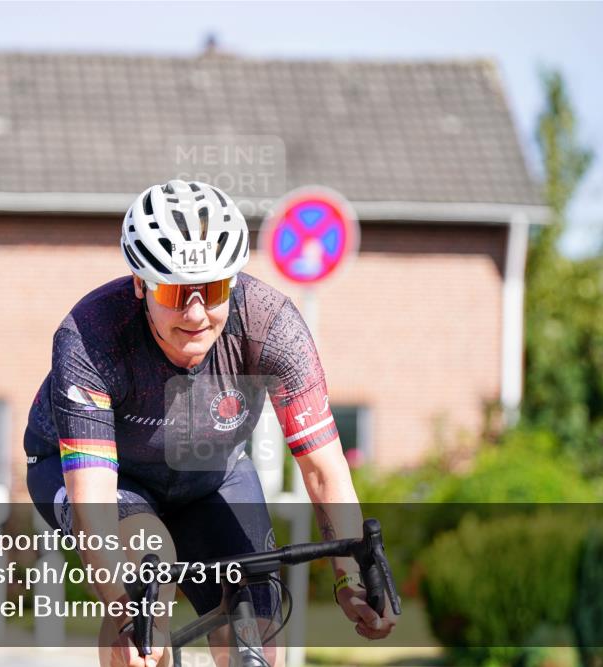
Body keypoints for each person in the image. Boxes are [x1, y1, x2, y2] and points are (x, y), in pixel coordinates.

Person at [24, 179, 395, 667]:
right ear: (141, 284)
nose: (196, 313)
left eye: (214, 289)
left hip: (210, 472)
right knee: (146, 584)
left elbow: (324, 469)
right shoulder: (91, 336)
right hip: (104, 478)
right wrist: (126, 611)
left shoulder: (272, 325)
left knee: (259, 620)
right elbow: (94, 508)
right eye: (177, 292)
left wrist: (350, 575)